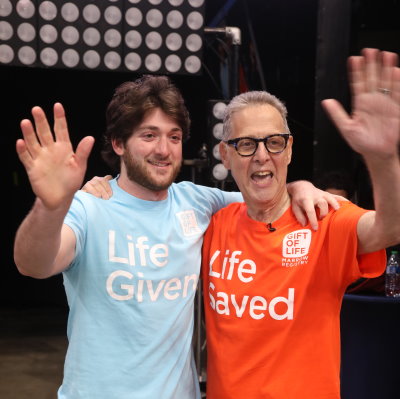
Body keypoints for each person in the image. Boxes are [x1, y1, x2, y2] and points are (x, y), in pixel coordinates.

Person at [13, 75, 339, 399]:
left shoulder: (198, 202)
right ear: (118, 143)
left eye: (174, 136)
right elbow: (34, 264)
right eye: (149, 135)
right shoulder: (90, 206)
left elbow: (266, 198)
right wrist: (51, 206)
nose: (163, 149)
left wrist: (300, 187)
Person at [201, 48, 400, 399]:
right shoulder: (213, 223)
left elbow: (390, 227)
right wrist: (102, 188)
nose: (263, 155)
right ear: (226, 155)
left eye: (274, 142)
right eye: (247, 144)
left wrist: (382, 159)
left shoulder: (322, 218)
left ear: (289, 149)